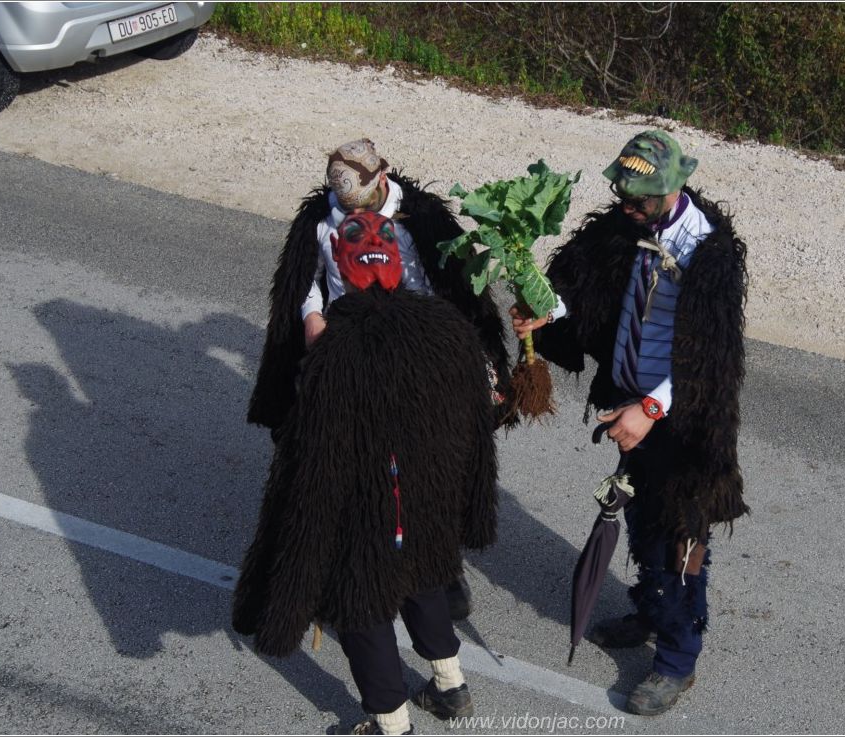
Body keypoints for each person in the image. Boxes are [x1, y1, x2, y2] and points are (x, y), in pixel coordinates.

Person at [511, 130, 749, 716]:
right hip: (629, 401)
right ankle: (649, 609)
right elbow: (584, 291)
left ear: (671, 189)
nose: (625, 205)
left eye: (637, 197)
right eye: (621, 193)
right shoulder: (623, 226)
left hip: (682, 419)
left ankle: (677, 660)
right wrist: (547, 311)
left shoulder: (709, 253)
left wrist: (650, 409)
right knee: (643, 516)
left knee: (680, 535)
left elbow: (709, 359)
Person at [233, 211, 497, 736]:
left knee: (362, 602)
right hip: (430, 496)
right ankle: (450, 686)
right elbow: (477, 432)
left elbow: (318, 460)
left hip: (371, 505)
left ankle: (389, 723)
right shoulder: (448, 329)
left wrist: (305, 541)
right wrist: (470, 504)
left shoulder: (337, 349)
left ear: (343, 270)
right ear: (396, 265)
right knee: (426, 574)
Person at [248, 139, 511, 618]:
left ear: (383, 178)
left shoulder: (422, 218)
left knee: (431, 464)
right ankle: (341, 560)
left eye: (363, 200)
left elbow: (451, 285)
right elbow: (304, 279)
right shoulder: (320, 221)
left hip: (418, 352)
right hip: (348, 350)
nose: (355, 211)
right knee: (349, 463)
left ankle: (441, 567)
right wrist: (311, 316)